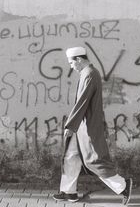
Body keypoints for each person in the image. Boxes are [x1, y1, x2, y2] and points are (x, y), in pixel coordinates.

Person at [53, 46, 133, 205]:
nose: (71, 66)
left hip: (86, 126)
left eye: (71, 63)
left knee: (94, 160)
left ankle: (123, 186)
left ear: (79, 60)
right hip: (81, 126)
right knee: (71, 157)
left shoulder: (89, 74)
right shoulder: (87, 73)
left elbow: (82, 102)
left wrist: (70, 125)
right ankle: (69, 192)